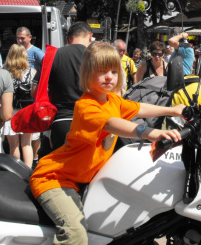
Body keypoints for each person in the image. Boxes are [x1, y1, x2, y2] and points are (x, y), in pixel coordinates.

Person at [30, 42, 184, 244]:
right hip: (54, 179)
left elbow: (139, 108)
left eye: (113, 70)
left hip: (81, 180)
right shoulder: (86, 106)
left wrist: (173, 110)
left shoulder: (111, 100)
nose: (109, 76)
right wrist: (152, 133)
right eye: (102, 71)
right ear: (87, 74)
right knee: (75, 232)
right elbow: (113, 124)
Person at [32, 22, 93, 155]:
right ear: (90, 37)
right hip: (90, 120)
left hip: (61, 121)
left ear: (68, 39)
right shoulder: (97, 57)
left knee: (60, 168)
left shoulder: (52, 56)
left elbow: (35, 91)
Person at [1, 44, 36, 168]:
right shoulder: (32, 72)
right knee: (27, 144)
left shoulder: (4, 72)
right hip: (27, 112)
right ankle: (28, 172)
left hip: (10, 111)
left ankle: (15, 172)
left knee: (13, 145)